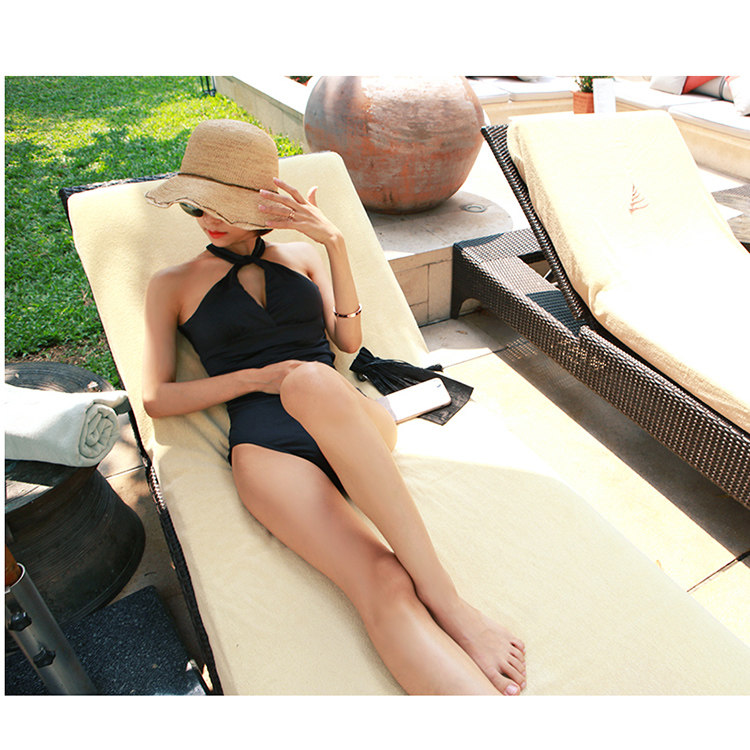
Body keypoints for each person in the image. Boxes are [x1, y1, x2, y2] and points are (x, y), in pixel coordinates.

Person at [142, 119, 526, 695]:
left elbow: (347, 342)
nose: (208, 220)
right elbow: (156, 397)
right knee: (382, 581)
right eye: (196, 207)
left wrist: (336, 244)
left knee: (312, 381)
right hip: (270, 449)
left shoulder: (304, 255)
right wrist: (260, 377)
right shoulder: (171, 283)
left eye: (223, 206)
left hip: (347, 416)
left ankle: (449, 603)